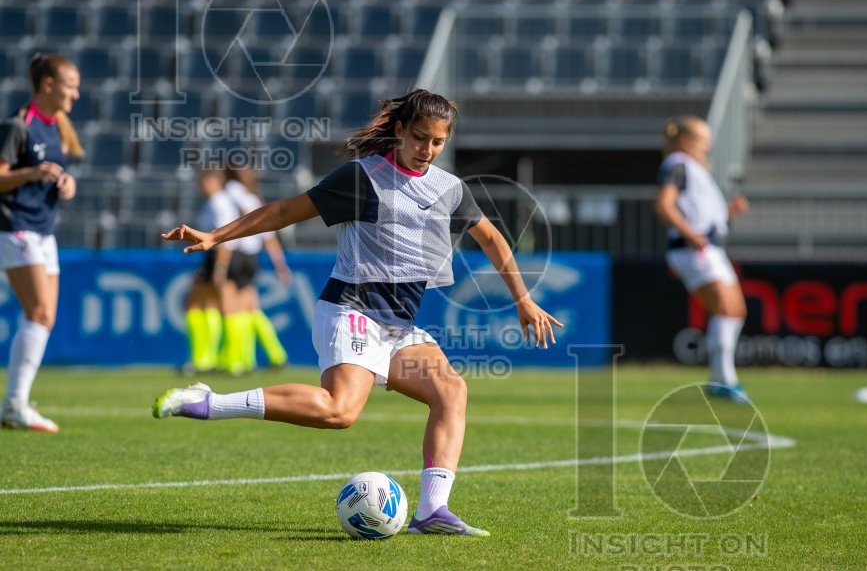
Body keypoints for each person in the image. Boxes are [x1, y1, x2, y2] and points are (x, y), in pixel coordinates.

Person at [153, 89, 563, 536]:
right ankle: (208, 402)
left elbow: (492, 239)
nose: (427, 150)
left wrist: (522, 299)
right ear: (401, 130)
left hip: (398, 325)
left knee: (451, 392)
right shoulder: (362, 177)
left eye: (438, 142)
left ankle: (431, 513)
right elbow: (286, 210)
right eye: (420, 137)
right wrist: (217, 236)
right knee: (339, 411)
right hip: (352, 310)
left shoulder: (449, 188)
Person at [0, 54, 82, 432]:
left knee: (43, 317)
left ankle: (16, 403)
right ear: (47, 84)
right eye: (70, 86)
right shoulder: (18, 126)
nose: (76, 95)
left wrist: (66, 185)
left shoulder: (59, 127)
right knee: (40, 313)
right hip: (16, 227)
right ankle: (15, 404)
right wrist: (31, 172)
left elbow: (66, 174)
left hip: (44, 231)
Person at [654, 116, 751, 403]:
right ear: (685, 140)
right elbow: (663, 205)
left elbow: (702, 212)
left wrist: (728, 212)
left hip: (710, 248)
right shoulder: (678, 164)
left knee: (735, 311)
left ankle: (722, 379)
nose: (707, 145)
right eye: (702, 139)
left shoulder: (694, 169)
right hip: (693, 249)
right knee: (724, 309)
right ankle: (724, 380)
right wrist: (689, 232)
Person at [223, 164, 290, 371]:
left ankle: (238, 360)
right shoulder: (253, 198)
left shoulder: (230, 192)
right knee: (251, 309)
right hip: (253, 256)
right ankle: (275, 354)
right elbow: (269, 237)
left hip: (236, 252)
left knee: (231, 309)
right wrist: (280, 265)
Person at [182, 167, 241, 375]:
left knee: (210, 305)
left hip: (220, 257)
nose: (201, 187)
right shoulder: (215, 202)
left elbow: (225, 239)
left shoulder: (219, 203)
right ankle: (216, 359)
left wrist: (220, 268)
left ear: (215, 181)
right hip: (215, 257)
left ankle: (211, 359)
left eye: (204, 182)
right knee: (210, 305)